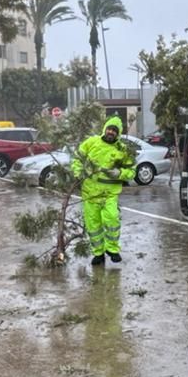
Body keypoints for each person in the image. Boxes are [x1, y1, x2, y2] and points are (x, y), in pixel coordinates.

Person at [71, 114, 134, 266]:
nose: (111, 132)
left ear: (118, 133)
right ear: (105, 129)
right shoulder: (91, 142)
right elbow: (77, 158)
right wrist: (78, 173)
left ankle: (112, 250)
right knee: (93, 225)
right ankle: (98, 253)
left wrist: (120, 173)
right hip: (90, 193)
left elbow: (132, 171)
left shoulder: (122, 149)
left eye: (115, 130)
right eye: (109, 129)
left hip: (109, 194)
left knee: (112, 219)